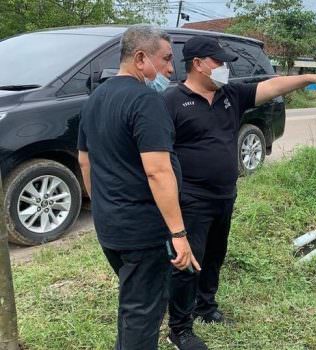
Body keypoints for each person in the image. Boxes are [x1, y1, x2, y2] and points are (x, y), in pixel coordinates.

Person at [163, 36, 316, 350]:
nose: (224, 68)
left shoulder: (231, 95)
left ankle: (206, 307)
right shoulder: (171, 101)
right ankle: (180, 328)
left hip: (224, 195)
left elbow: (274, 85)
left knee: (215, 256)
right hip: (190, 198)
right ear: (198, 64)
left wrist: (310, 78)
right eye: (218, 62)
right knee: (188, 263)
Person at [78, 25, 199, 350]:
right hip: (141, 234)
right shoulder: (146, 101)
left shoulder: (95, 98)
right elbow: (158, 171)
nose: (171, 69)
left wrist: (102, 207)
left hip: (111, 228)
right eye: (166, 59)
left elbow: (85, 161)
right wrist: (178, 234)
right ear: (141, 58)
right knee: (143, 314)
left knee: (133, 302)